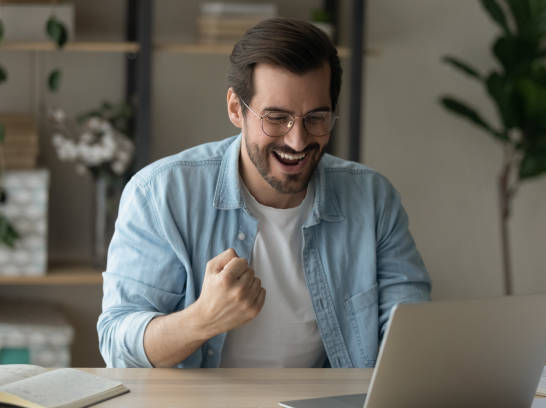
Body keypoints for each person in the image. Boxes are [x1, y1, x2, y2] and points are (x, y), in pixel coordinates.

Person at [97, 18, 431, 369]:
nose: (297, 140)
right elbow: (117, 346)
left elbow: (410, 330)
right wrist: (202, 319)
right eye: (276, 118)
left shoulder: (373, 200)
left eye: (316, 118)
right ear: (235, 108)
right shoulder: (161, 195)